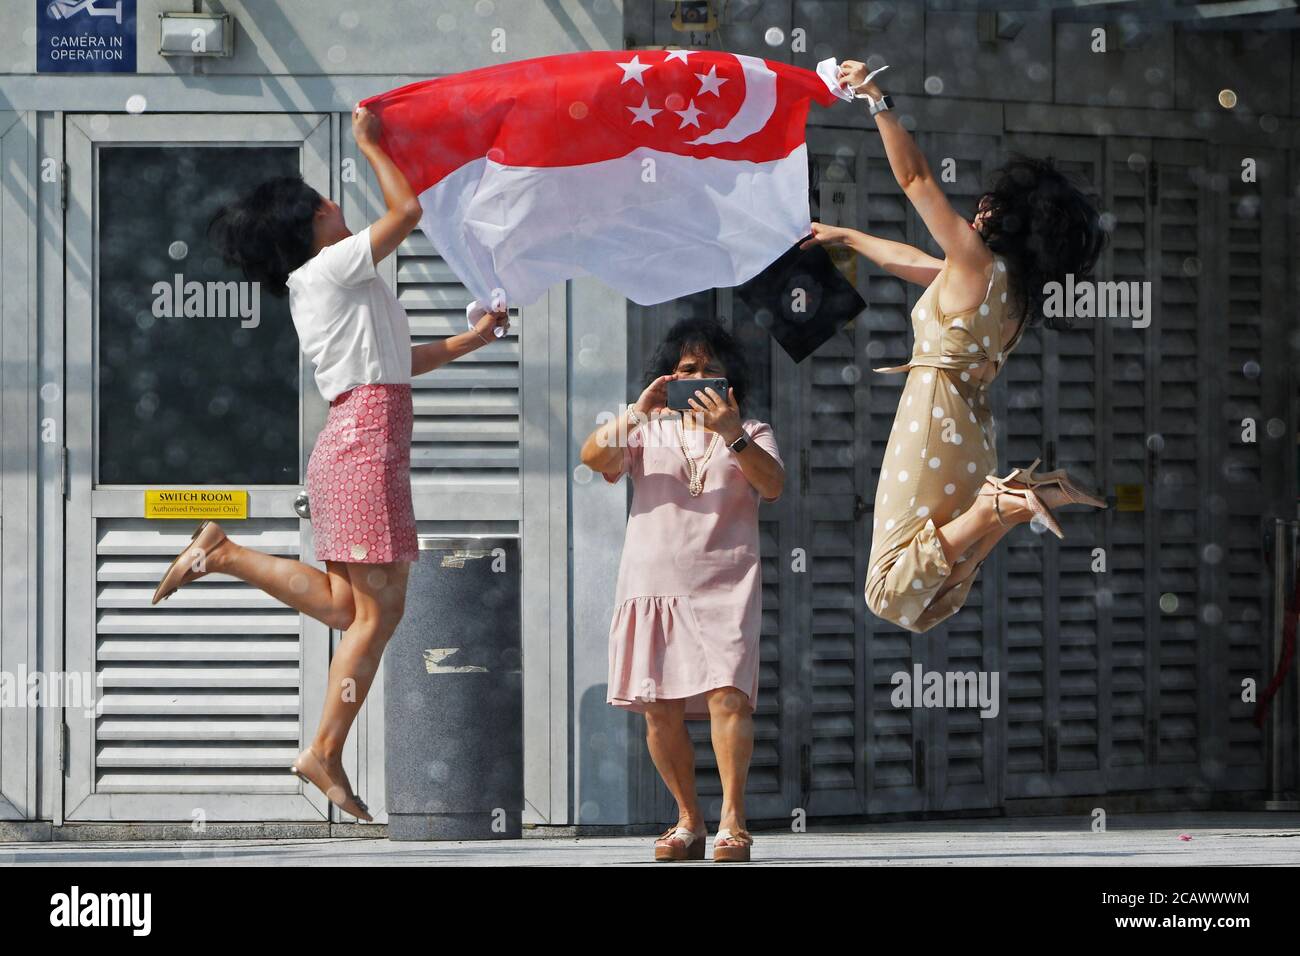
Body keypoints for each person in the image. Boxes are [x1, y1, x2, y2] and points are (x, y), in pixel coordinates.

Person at [150, 105, 508, 820]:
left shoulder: (333, 282)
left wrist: (473, 340)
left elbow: (400, 361)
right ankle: (323, 750)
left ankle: (223, 554)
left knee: (355, 608)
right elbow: (407, 211)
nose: (336, 203)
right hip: (365, 441)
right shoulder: (330, 269)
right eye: (324, 202)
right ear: (310, 224)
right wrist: (373, 145)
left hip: (363, 439)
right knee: (379, 612)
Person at [804, 59, 1107, 634]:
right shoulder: (1007, 289)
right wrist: (843, 235)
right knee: (929, 594)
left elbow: (916, 180)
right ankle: (1009, 502)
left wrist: (877, 101)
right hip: (968, 428)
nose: (978, 206)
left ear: (1002, 217)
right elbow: (920, 264)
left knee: (891, 591)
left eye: (989, 202)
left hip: (934, 415)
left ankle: (1003, 506)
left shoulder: (975, 260)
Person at [580, 318, 785, 863]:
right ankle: (688, 820)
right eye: (686, 369)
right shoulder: (646, 431)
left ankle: (733, 821)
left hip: (726, 581)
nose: (697, 378)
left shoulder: (753, 431)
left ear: (730, 381)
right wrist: (637, 411)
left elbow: (773, 484)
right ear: (668, 375)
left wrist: (731, 431)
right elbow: (593, 458)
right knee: (659, 706)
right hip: (654, 582)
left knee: (729, 695)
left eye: (709, 370)